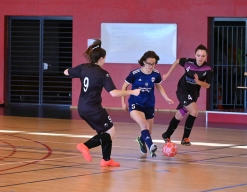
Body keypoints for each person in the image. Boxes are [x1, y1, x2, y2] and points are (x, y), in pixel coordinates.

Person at [64, 39, 140, 167]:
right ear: (100, 59)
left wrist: (72, 71)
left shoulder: (83, 68)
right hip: (93, 109)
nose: (105, 61)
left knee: (104, 131)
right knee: (111, 133)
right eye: (104, 58)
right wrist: (132, 92)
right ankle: (85, 146)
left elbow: (66, 72)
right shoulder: (103, 74)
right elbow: (114, 93)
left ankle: (106, 160)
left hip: (82, 108)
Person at [121, 51, 173, 157]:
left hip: (149, 104)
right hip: (135, 103)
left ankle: (141, 140)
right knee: (144, 125)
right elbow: (124, 87)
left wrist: (166, 98)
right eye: (149, 63)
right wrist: (123, 102)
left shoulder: (156, 74)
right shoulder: (135, 74)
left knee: (148, 131)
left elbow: (158, 85)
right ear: (144, 62)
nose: (151, 66)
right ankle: (151, 147)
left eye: (153, 63)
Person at [162, 44, 213, 146]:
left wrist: (199, 82)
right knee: (194, 112)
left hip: (194, 93)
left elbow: (207, 85)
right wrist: (168, 74)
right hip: (183, 90)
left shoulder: (208, 68)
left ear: (206, 56)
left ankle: (167, 134)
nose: (200, 58)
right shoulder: (188, 62)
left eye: (203, 56)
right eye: (198, 55)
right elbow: (177, 61)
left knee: (179, 115)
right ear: (195, 55)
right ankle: (185, 138)